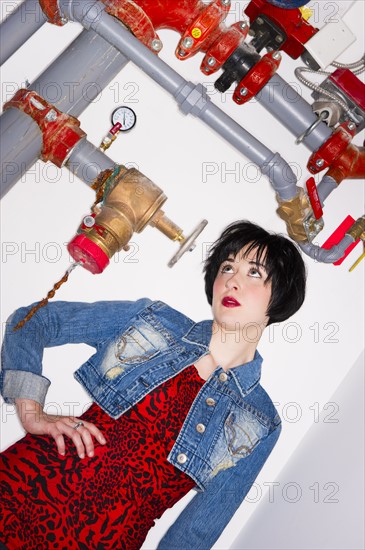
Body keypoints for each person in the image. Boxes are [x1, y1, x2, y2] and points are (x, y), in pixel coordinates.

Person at [0, 220, 306, 550]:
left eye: (254, 272)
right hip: (19, 490)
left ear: (280, 296)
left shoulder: (260, 419)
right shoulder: (155, 322)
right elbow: (32, 322)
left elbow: (198, 530)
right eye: (227, 267)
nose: (232, 280)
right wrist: (31, 410)